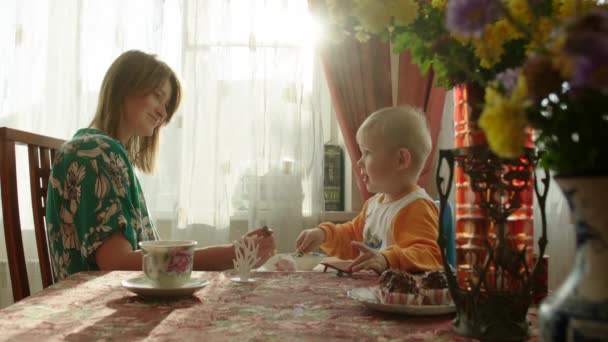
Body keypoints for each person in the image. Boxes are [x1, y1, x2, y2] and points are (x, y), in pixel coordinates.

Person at [46, 50, 275, 281]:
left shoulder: (97, 149)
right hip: (103, 304)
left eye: (166, 105)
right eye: (157, 96)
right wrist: (227, 255)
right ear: (124, 87)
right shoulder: (95, 152)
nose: (163, 113)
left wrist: (231, 252)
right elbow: (116, 264)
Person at [296, 106, 442, 274]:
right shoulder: (374, 203)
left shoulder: (417, 207)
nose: (359, 162)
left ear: (401, 160)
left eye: (367, 153)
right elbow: (352, 237)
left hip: (400, 297)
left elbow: (430, 255)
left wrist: (387, 259)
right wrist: (324, 234)